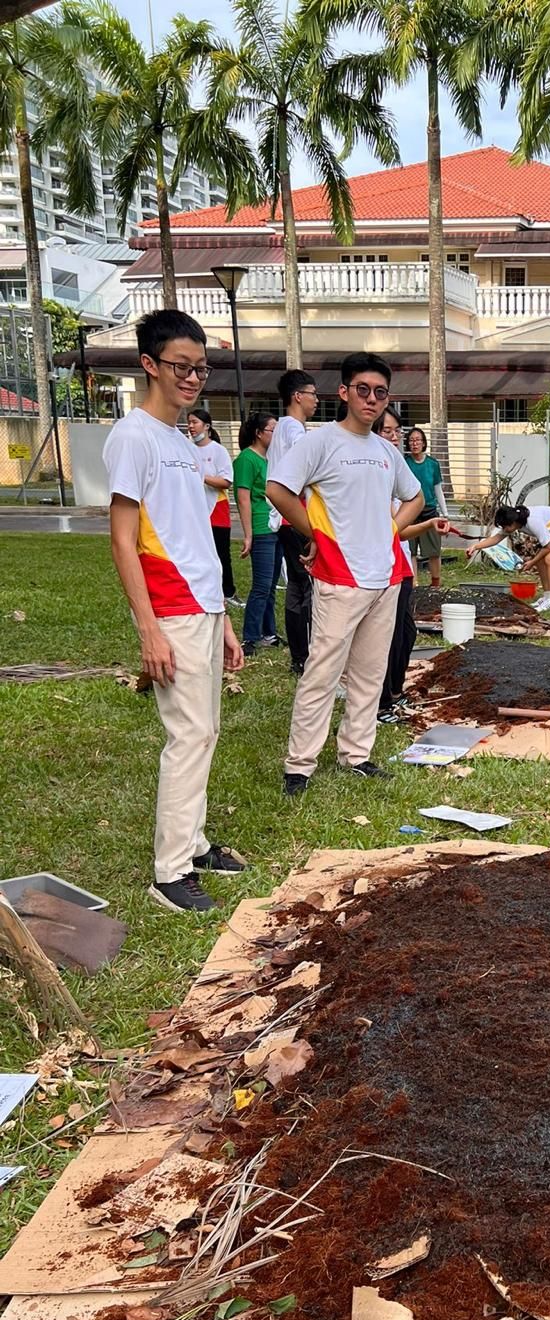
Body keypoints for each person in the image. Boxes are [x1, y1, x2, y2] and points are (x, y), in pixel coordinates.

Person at [104, 309, 247, 913]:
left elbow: (192, 537)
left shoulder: (186, 442)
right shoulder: (133, 437)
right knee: (188, 734)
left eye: (200, 368)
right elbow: (122, 537)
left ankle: (194, 842)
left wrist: (226, 621)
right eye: (180, 367)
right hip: (170, 607)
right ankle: (169, 872)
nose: (192, 378)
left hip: (203, 606)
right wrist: (148, 630)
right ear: (149, 365)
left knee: (204, 730)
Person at [268, 354, 424, 795]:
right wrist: (314, 531)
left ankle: (356, 754)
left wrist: (387, 530)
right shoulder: (320, 443)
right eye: (363, 389)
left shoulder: (386, 452)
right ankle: (299, 765)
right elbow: (277, 488)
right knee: (322, 671)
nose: (371, 399)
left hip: (387, 576)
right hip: (339, 576)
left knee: (370, 674)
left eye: (380, 392)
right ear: (344, 392)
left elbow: (413, 498)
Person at [373, 405, 449, 722]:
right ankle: (382, 702)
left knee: (405, 632)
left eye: (397, 432)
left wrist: (429, 524)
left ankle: (393, 693)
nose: (395, 438)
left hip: (400, 564)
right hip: (382, 568)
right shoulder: (375, 471)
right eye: (387, 431)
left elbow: (399, 528)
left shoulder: (395, 469)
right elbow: (393, 526)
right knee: (389, 636)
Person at [268, 369, 319, 674]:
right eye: (312, 394)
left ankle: (299, 656)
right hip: (297, 519)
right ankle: (306, 655)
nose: (316, 401)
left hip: (286, 521)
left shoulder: (284, 429)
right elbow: (305, 471)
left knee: (297, 587)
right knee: (308, 586)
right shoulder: (293, 429)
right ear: (298, 396)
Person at [466, 504, 550, 611]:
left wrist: (531, 562)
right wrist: (476, 546)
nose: (504, 529)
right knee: (540, 560)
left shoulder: (532, 521)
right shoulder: (516, 521)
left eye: (505, 526)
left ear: (513, 522)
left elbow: (548, 547)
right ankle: (547, 597)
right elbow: (496, 539)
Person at [233, 411, 280, 653]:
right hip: (261, 528)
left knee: (271, 585)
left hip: (275, 525)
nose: (276, 434)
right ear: (259, 433)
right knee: (261, 585)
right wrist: (248, 534)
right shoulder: (246, 460)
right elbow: (243, 498)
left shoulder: (270, 459)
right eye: (273, 429)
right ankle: (250, 636)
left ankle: (269, 633)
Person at [186, 409, 237, 606]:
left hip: (216, 508)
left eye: (194, 422)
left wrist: (202, 477)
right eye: (189, 422)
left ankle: (228, 592)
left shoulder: (218, 450)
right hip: (194, 509)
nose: (191, 426)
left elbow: (226, 481)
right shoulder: (186, 449)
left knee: (221, 552)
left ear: (206, 426)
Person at [404, 426, 449, 586]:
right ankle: (413, 583)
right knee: (410, 551)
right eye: (411, 440)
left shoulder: (433, 464)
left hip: (430, 511)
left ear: (424, 443)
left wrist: (445, 514)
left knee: (434, 551)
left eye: (418, 440)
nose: (414, 444)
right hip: (409, 511)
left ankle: (435, 583)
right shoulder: (404, 463)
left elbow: (438, 489)